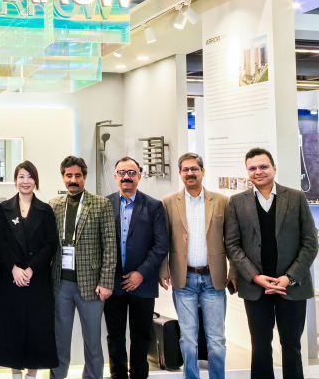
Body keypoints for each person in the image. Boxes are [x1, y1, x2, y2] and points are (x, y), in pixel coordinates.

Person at [225, 148, 317, 379]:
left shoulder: (295, 197)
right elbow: (233, 245)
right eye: (252, 168)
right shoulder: (237, 202)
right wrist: (255, 276)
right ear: (247, 172)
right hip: (256, 287)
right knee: (260, 347)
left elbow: (310, 243)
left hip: (291, 286)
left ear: (274, 168)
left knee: (292, 346)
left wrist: (289, 278)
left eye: (263, 166)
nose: (258, 171)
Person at [160, 153, 236, 379]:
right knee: (188, 339)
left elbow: (231, 241)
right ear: (180, 173)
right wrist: (163, 270)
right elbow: (163, 239)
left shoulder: (221, 201)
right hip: (184, 280)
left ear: (202, 171)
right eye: (185, 169)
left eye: (194, 169)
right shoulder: (168, 202)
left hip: (214, 279)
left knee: (217, 340)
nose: (190, 173)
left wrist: (234, 271)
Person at [0, 161, 59, 379]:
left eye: (30, 176)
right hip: (11, 279)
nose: (25, 181)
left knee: (37, 330)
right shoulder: (3, 208)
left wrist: (31, 268)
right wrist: (15, 268)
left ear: (35, 180)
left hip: (37, 279)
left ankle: (32, 375)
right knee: (12, 329)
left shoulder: (45, 209)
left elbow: (50, 244)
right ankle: (16, 374)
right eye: (21, 176)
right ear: (15, 180)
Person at [49, 156, 116, 379]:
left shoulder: (101, 204)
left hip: (92, 285)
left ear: (85, 177)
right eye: (69, 175)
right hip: (61, 284)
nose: (73, 180)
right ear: (63, 177)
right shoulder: (54, 205)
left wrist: (106, 282)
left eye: (78, 175)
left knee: (93, 343)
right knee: (59, 340)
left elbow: (110, 246)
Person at [105, 157, 169, 379]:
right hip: (113, 283)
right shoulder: (105, 204)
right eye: (122, 173)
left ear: (139, 176)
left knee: (141, 336)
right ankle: (118, 375)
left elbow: (161, 245)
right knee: (115, 336)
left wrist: (141, 273)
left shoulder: (154, 206)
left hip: (143, 283)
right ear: (115, 177)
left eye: (131, 172)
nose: (126, 177)